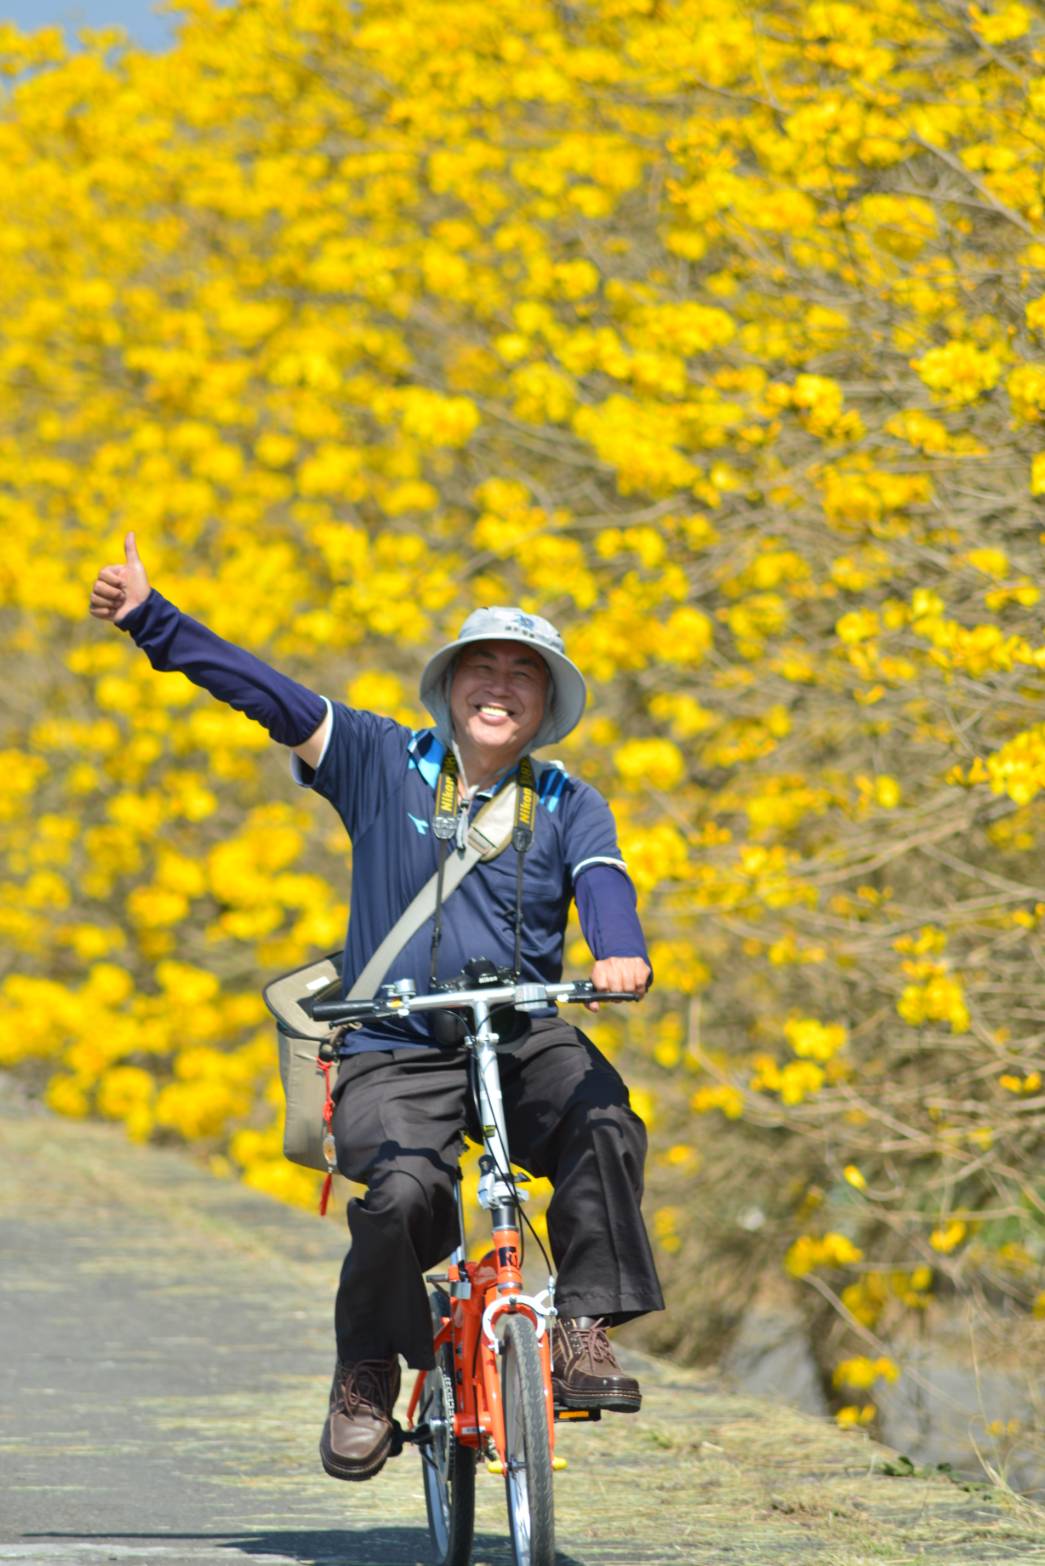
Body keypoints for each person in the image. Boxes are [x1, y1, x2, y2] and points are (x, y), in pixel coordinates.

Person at [89, 532, 665, 1483]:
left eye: (523, 674)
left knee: (602, 1116)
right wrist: (155, 619)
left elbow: (604, 883)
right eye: (481, 666)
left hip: (518, 1034)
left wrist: (618, 951)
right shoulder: (378, 757)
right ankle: (366, 1369)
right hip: (394, 1045)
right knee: (400, 1194)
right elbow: (267, 695)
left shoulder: (568, 799)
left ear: (546, 703)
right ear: (448, 686)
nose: (499, 686)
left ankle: (584, 1325)